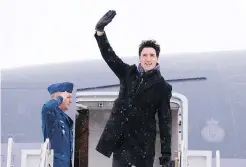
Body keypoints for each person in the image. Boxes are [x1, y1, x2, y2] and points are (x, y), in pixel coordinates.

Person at [94, 10, 173, 167]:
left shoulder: (163, 87)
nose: (148, 59)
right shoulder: (128, 73)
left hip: (142, 146)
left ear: (157, 58)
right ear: (140, 58)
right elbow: (110, 57)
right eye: (144, 55)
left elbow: (165, 121)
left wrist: (166, 152)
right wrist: (100, 33)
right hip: (121, 142)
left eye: (152, 55)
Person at [41, 82, 74, 167]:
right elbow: (47, 108)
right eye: (68, 97)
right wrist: (60, 98)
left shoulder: (64, 118)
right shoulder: (51, 115)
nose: (71, 101)